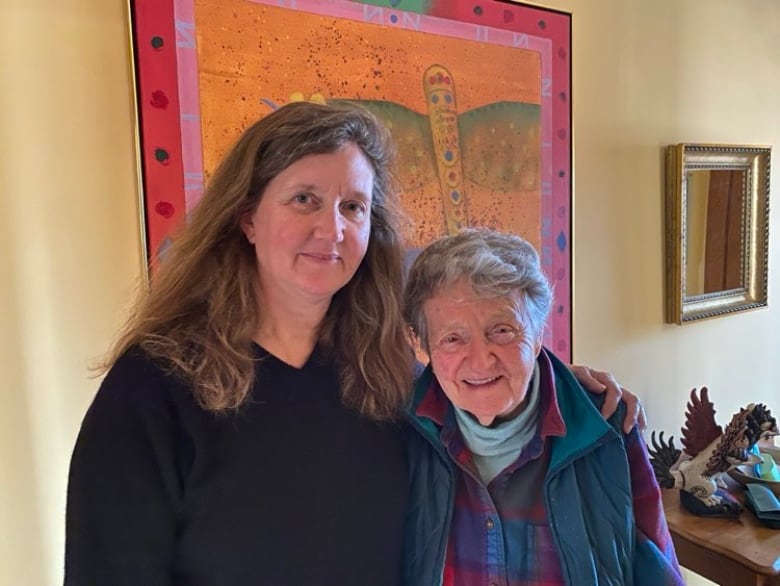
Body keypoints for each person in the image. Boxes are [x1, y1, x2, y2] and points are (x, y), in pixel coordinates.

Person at [65, 101, 642, 585]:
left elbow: (482, 394)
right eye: (304, 200)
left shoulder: (381, 372)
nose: (332, 229)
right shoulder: (153, 389)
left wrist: (568, 388)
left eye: (353, 207)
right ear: (246, 218)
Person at [401, 228, 683, 586]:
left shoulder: (607, 425)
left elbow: (656, 568)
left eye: (502, 330)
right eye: (453, 338)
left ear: (536, 335)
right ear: (420, 345)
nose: (481, 361)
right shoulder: (399, 434)